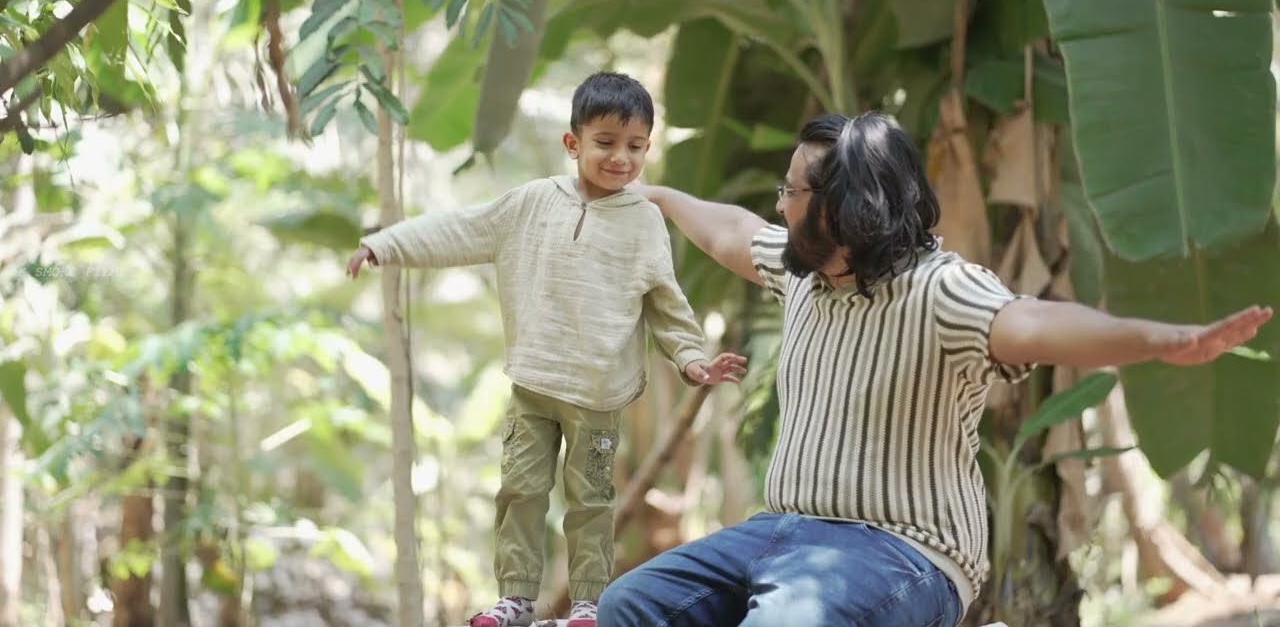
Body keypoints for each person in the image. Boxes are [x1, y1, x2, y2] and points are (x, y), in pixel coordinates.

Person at [595, 111, 1273, 627]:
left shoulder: (940, 289)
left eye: (792, 190)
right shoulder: (800, 270)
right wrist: (657, 199)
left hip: (902, 553)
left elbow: (1036, 322)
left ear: (840, 204)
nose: (780, 204)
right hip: (782, 532)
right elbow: (729, 232)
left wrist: (1163, 338)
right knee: (628, 605)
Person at [346, 71, 747, 627]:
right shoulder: (531, 203)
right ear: (573, 142)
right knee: (520, 492)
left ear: (647, 147)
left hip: (599, 397)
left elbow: (666, 302)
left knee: (590, 504)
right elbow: (462, 229)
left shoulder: (645, 223)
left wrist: (692, 358)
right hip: (533, 385)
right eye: (605, 143)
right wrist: (384, 245)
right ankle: (515, 599)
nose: (620, 159)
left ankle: (587, 603)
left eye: (635, 147)